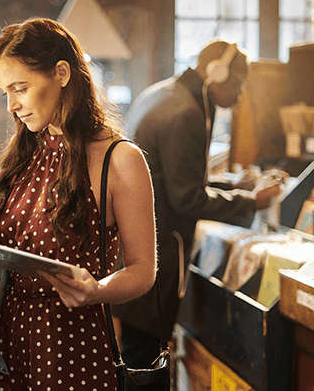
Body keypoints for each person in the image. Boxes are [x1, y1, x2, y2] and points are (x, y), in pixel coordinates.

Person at [0, 17, 157, 389]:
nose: (12, 105)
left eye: (20, 88)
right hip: (3, 340)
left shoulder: (119, 159)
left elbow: (143, 271)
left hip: (70, 343)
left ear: (61, 73)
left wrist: (98, 291)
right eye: (5, 92)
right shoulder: (28, 150)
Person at [111, 39, 283, 369]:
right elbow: (187, 198)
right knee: (144, 363)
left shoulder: (164, 93)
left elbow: (176, 179)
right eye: (239, 82)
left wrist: (236, 185)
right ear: (216, 74)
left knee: (136, 354)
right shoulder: (187, 112)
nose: (241, 94)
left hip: (132, 245)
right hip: (157, 252)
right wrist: (250, 202)